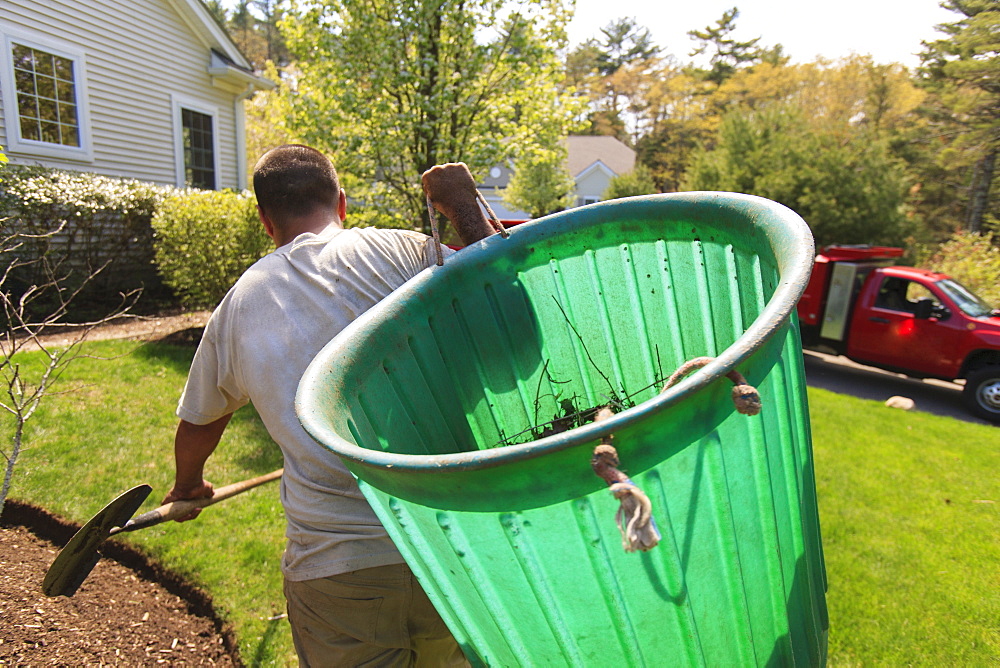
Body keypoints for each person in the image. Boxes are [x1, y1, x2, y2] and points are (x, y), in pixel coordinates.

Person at [163, 144, 494, 666]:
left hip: (337, 566)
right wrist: (465, 208)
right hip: (450, 544)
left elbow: (200, 422)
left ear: (264, 221)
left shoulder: (239, 305)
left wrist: (188, 485)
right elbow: (513, 307)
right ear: (342, 203)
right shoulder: (408, 253)